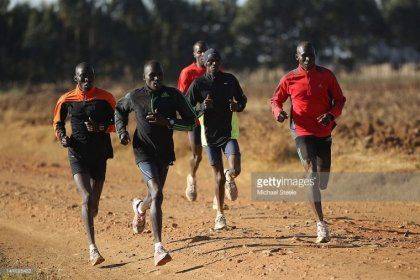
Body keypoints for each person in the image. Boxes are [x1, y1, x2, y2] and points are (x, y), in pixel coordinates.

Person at [115, 61, 196, 266]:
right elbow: (119, 109)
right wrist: (122, 132)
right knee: (157, 192)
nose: (156, 79)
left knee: (153, 195)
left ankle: (139, 208)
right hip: (143, 151)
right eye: (152, 76)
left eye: (159, 75)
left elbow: (191, 121)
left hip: (164, 152)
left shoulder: (173, 95)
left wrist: (168, 122)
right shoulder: (135, 96)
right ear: (144, 77)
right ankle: (158, 247)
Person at [270, 41, 346, 243]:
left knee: (323, 178)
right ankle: (321, 224)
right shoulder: (289, 78)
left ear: (315, 55)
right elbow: (275, 100)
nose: (308, 59)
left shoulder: (327, 75)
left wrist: (331, 115)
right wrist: (278, 113)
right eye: (304, 56)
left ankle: (318, 187)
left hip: (323, 130)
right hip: (301, 130)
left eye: (311, 55)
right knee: (311, 172)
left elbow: (340, 100)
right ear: (297, 57)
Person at [53, 62, 116, 265]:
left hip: (100, 154)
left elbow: (117, 124)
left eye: (90, 75)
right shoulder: (66, 99)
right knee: (87, 197)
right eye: (83, 76)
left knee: (94, 204)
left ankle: (91, 211)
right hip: (77, 153)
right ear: (76, 78)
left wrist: (100, 127)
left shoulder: (106, 98)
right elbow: (58, 122)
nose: (87, 79)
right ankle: (93, 249)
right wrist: (62, 137)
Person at [186, 49, 247, 230]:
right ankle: (220, 215)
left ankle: (231, 176)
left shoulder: (230, 80)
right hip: (209, 137)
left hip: (228, 133)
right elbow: (186, 107)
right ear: (205, 63)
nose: (214, 64)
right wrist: (201, 108)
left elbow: (243, 100)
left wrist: (238, 106)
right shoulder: (199, 84)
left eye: (217, 61)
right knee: (218, 178)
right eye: (211, 61)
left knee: (235, 168)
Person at [177, 40, 208, 202]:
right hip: (194, 118)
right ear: (194, 54)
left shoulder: (215, 69)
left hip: (212, 118)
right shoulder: (187, 73)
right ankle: (192, 177)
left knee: (216, 151)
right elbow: (182, 98)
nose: (202, 54)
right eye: (199, 52)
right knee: (197, 154)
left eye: (205, 51)